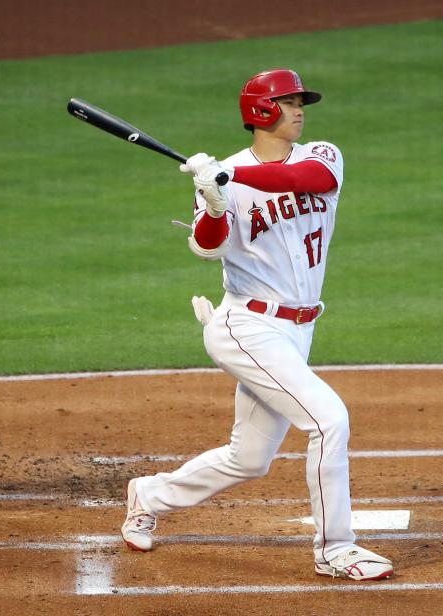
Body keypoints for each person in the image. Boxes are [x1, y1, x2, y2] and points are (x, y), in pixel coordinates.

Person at [121, 68, 393, 581]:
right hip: (247, 327)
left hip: (298, 330)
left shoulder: (321, 155)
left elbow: (307, 181)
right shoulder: (220, 177)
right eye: (290, 102)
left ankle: (150, 494)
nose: (300, 109)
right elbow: (207, 247)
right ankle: (337, 549)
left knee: (249, 458)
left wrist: (228, 177)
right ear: (262, 111)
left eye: (299, 102)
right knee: (328, 419)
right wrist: (215, 202)